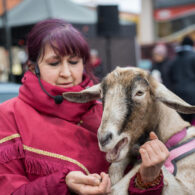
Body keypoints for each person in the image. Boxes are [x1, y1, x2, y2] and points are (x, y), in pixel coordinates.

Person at [0, 19, 169, 195]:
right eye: (54, 63)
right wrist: (62, 185)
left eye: (73, 62)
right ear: (32, 67)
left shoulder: (106, 112)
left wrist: (148, 177)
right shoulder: (9, 115)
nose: (66, 73)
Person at [168, 36, 195, 123]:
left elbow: (170, 76)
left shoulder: (175, 59)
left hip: (178, 94)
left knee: (183, 122)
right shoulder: (193, 57)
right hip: (193, 94)